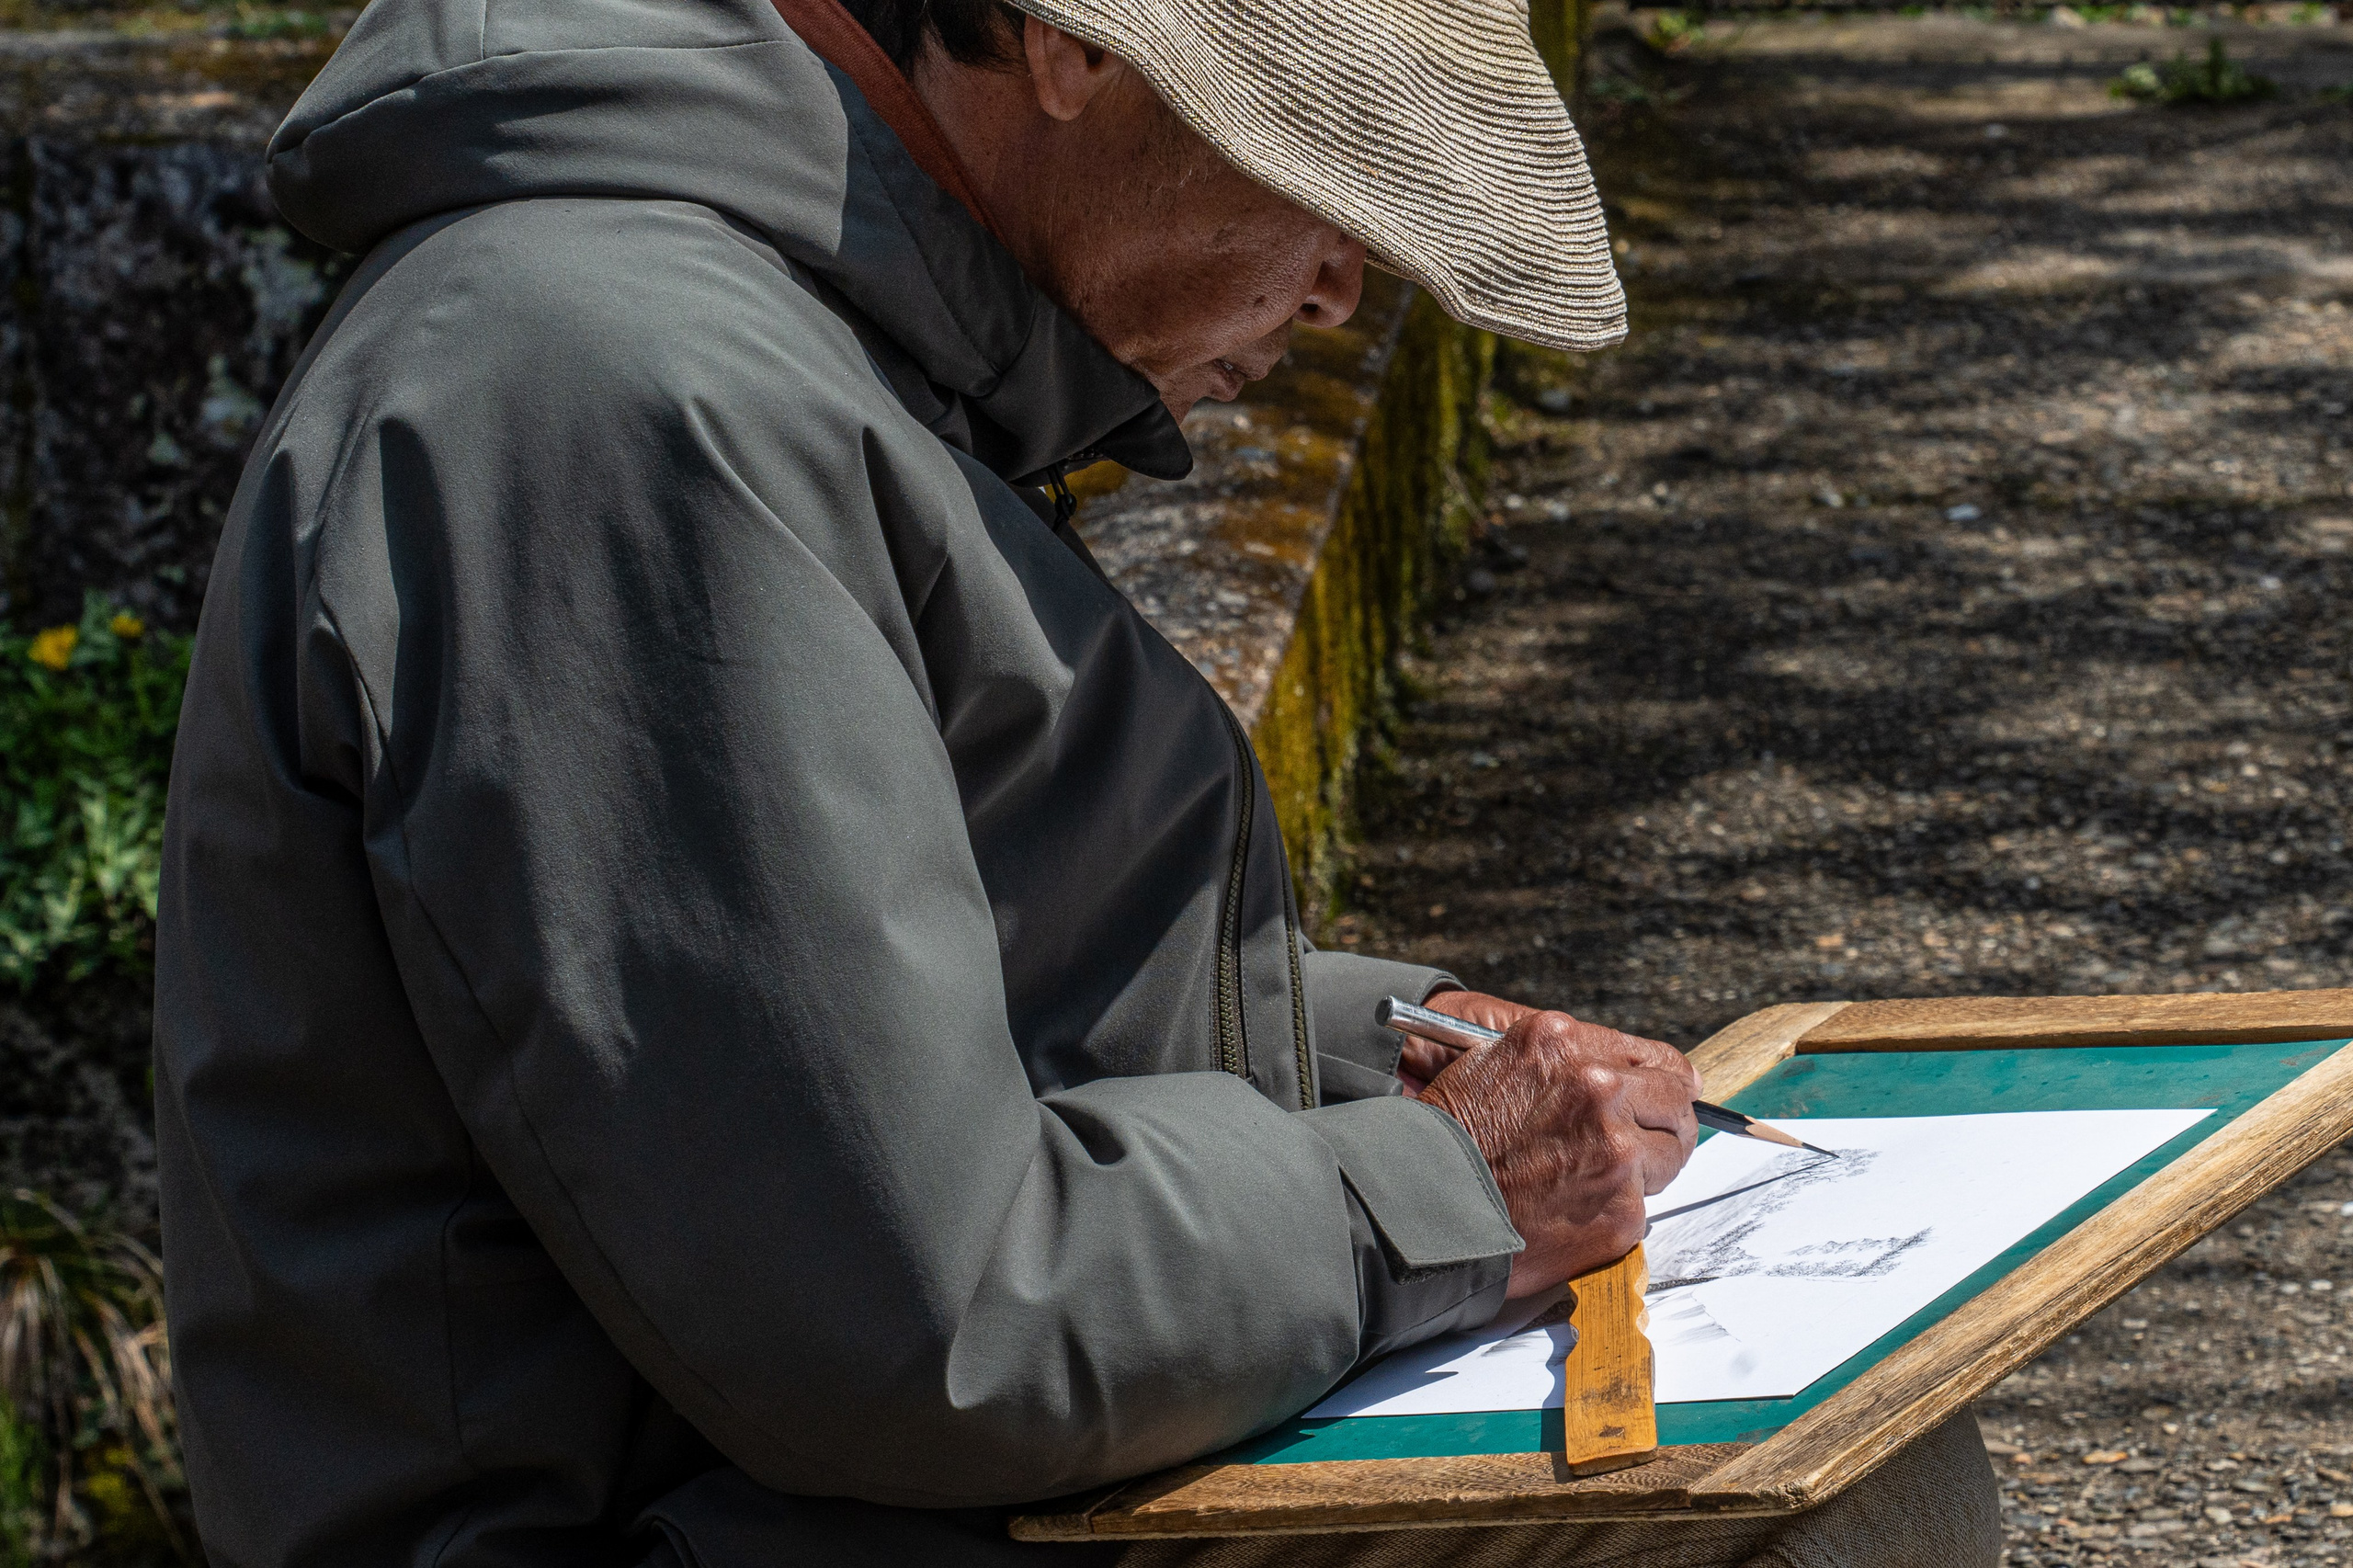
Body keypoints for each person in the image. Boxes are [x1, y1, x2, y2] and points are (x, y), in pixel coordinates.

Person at [153, 0, 2001, 1562]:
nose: (1344, 287)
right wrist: (1441, 1186)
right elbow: (920, 1321)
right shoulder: (620, 399)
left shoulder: (767, 348)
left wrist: (1388, 1039)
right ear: (1059, 50)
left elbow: (897, 1005)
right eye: (1322, 171)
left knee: (1845, 1458)